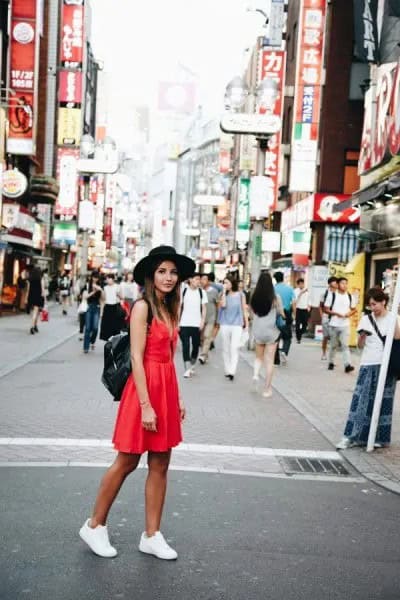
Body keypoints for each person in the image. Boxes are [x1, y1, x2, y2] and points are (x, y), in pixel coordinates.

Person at [79, 245, 194, 560]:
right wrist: (146, 405)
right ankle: (94, 525)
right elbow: (137, 358)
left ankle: (152, 535)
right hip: (143, 390)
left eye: (172, 272)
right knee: (127, 461)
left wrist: (178, 397)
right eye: (162, 271)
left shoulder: (173, 306)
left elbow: (171, 356)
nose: (168, 277)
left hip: (165, 387)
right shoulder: (143, 306)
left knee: (160, 463)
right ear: (151, 275)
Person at [336, 287, 400, 449]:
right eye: (370, 305)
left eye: (375, 304)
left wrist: (395, 319)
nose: (373, 308)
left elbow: (397, 339)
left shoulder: (393, 318)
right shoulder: (366, 319)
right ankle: (351, 436)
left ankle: (380, 438)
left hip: (387, 365)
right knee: (361, 400)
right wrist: (362, 337)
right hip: (368, 363)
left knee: (384, 401)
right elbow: (359, 345)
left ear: (383, 302)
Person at [250, 272, 285, 398]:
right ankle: (267, 389)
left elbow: (251, 313)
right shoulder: (275, 297)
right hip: (270, 332)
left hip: (258, 330)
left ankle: (255, 375)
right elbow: (281, 313)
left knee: (258, 357)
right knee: (269, 361)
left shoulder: (254, 296)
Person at [324, 276, 357, 373]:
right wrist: (335, 313)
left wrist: (348, 314)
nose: (345, 285)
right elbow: (326, 309)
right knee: (333, 345)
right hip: (334, 324)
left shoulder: (350, 296)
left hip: (345, 325)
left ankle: (347, 365)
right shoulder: (332, 295)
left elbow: (354, 309)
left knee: (345, 345)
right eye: (343, 283)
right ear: (338, 284)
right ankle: (331, 362)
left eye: (346, 283)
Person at [218, 276, 248, 381]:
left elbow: (244, 309)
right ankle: (227, 369)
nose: (225, 284)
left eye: (227, 283)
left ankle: (232, 371)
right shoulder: (223, 295)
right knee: (225, 348)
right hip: (225, 324)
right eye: (224, 283)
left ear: (232, 283)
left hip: (237, 324)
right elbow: (223, 305)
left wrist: (246, 324)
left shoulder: (241, 295)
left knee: (234, 347)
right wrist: (223, 291)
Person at [179, 272, 207, 378]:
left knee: (195, 346)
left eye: (199, 279)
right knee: (185, 345)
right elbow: (179, 307)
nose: (198, 281)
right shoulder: (184, 291)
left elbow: (204, 308)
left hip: (196, 323)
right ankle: (187, 368)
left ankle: (192, 364)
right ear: (190, 280)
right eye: (196, 279)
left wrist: (202, 321)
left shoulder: (201, 292)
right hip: (184, 323)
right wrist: (177, 321)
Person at [273, 271, 295, 364]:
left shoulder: (273, 289)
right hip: (286, 313)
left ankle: (276, 358)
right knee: (287, 336)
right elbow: (293, 303)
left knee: (276, 336)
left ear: (275, 279)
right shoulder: (289, 289)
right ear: (283, 278)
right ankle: (284, 351)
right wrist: (294, 315)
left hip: (274, 313)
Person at [199, 273, 220, 364]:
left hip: (211, 317)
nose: (202, 281)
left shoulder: (214, 292)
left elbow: (217, 305)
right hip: (200, 318)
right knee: (202, 338)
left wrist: (217, 318)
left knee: (207, 336)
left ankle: (203, 355)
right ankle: (205, 354)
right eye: (201, 279)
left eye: (204, 279)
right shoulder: (199, 291)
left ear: (208, 281)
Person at [83, 271, 103, 353]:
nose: (95, 279)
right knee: (87, 328)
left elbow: (103, 299)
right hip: (89, 307)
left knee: (95, 328)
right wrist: (93, 291)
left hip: (97, 307)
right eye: (94, 277)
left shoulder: (100, 286)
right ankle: (86, 347)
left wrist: (100, 290)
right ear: (91, 277)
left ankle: (92, 341)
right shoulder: (87, 285)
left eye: (97, 277)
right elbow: (85, 297)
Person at [99, 274, 123, 342]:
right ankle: (108, 343)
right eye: (107, 279)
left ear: (113, 279)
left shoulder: (117, 287)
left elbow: (122, 297)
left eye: (109, 278)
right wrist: (101, 312)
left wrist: (118, 294)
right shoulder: (105, 287)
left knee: (115, 327)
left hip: (115, 307)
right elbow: (103, 300)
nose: (107, 280)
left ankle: (114, 342)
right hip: (107, 308)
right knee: (107, 327)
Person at [319, 276, 338, 360]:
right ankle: (323, 353)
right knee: (325, 337)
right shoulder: (325, 293)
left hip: (335, 317)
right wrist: (321, 316)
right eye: (334, 282)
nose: (336, 284)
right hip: (326, 317)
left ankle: (332, 356)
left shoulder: (339, 294)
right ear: (330, 283)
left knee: (335, 337)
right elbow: (320, 306)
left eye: (337, 282)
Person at [26, 265, 45, 335]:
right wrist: (44, 299)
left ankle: (35, 325)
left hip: (31, 296)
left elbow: (28, 290)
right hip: (38, 297)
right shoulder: (41, 279)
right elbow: (43, 290)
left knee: (34, 312)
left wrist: (26, 298)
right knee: (36, 312)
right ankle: (32, 326)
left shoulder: (30, 279)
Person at [294, 278, 310, 343]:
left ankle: (300, 333)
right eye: (300, 284)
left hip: (305, 310)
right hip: (298, 309)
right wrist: (301, 293)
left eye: (302, 284)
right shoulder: (295, 291)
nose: (302, 285)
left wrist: (309, 306)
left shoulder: (307, 291)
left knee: (305, 325)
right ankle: (298, 339)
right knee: (297, 325)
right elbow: (295, 300)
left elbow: (309, 300)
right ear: (298, 285)